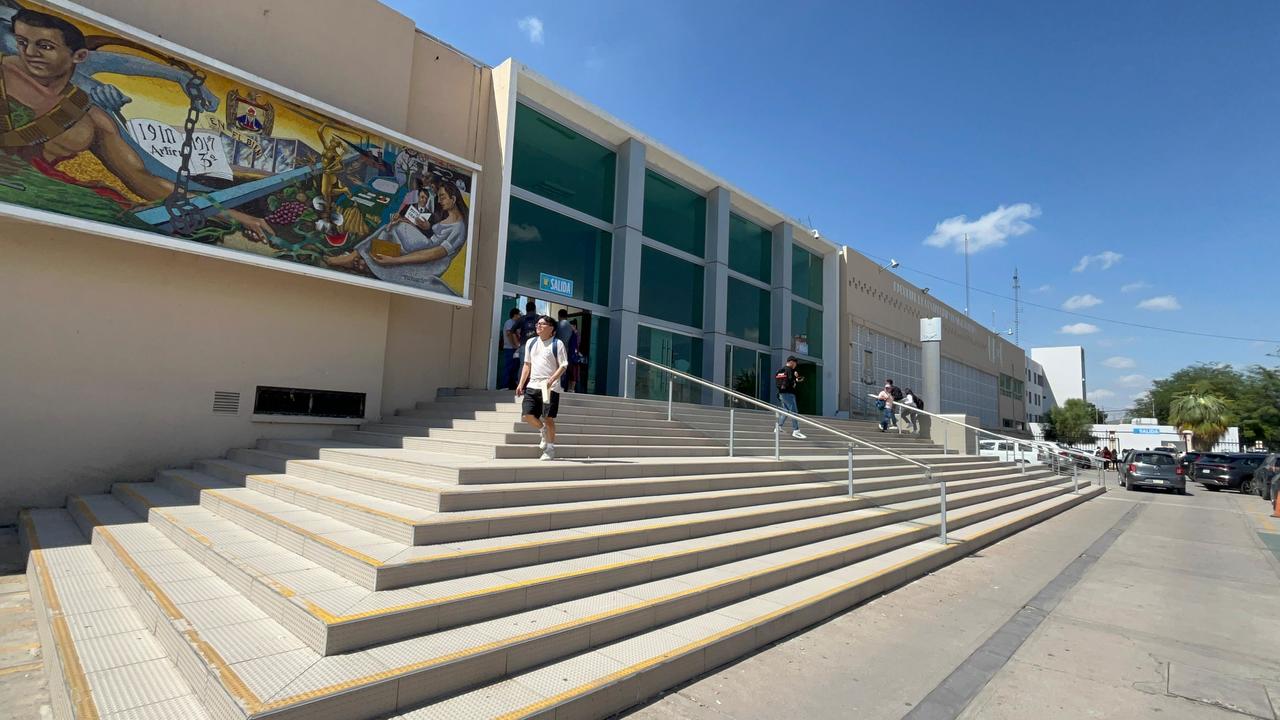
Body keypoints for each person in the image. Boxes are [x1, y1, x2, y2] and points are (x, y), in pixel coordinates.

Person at [0, 8, 271, 239]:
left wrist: (235, 217)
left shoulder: (91, 116)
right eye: (22, 42)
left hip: (42, 199)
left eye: (45, 46)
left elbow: (143, 180)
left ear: (79, 57)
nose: (29, 53)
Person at [516, 315, 568, 460]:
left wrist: (551, 380)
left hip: (550, 387)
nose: (538, 326)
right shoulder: (531, 342)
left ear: (551, 328)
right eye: (538, 323)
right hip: (533, 385)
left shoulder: (557, 344)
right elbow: (527, 364)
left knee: (548, 418)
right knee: (527, 415)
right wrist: (521, 383)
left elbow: (563, 365)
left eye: (542, 324)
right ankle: (542, 430)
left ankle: (550, 450)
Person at [773, 356, 806, 439]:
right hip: (789, 394)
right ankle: (796, 431)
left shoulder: (780, 370)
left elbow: (784, 382)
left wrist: (795, 378)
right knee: (794, 411)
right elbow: (791, 383)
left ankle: (778, 427)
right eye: (795, 363)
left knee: (786, 411)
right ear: (791, 362)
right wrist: (796, 377)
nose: (795, 365)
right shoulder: (790, 370)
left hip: (781, 394)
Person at [500, 307, 520, 390]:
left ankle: (512, 385)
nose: (520, 316)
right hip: (509, 348)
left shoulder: (515, 323)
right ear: (515, 315)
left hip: (514, 349)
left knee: (514, 367)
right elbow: (509, 334)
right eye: (519, 314)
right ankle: (504, 385)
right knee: (508, 366)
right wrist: (513, 345)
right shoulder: (509, 322)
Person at [565, 319, 582, 393]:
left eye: (570, 326)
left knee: (574, 373)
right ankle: (569, 388)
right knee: (570, 373)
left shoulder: (576, 334)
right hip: (571, 356)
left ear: (574, 326)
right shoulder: (572, 333)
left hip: (574, 356)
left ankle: (572, 388)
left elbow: (576, 345)